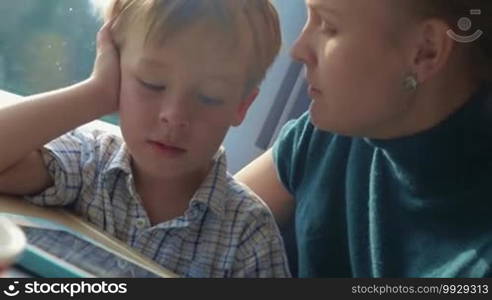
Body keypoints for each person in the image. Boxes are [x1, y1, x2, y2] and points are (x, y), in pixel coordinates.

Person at [0, 0, 291, 278]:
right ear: (117, 74)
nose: (174, 116)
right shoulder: (89, 161)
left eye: (209, 96)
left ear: (241, 106)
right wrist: (96, 94)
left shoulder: (249, 235)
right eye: (152, 83)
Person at [236, 0, 492, 277]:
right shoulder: (338, 131)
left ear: (425, 51)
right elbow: (206, 226)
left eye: (329, 27)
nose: (298, 50)